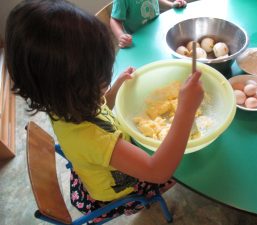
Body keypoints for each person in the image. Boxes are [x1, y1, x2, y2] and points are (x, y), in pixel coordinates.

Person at [5, 0, 203, 224]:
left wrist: (117, 85)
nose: (107, 76)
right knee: (189, 169)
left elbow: (102, 107)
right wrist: (186, 111)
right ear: (74, 86)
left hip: (94, 169)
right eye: (101, 76)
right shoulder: (93, 139)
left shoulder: (65, 103)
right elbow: (158, 171)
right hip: (119, 191)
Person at [110, 0, 187, 48]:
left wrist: (171, 5)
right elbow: (115, 20)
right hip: (139, 42)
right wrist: (120, 35)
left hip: (157, 34)